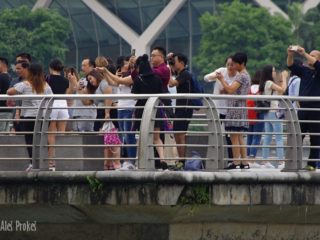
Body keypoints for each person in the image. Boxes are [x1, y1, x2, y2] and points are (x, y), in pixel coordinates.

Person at [7, 63, 53, 171]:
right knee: (42, 141)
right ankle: (43, 164)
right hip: (43, 117)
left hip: (28, 117)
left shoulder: (25, 84)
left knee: (30, 141)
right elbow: (51, 98)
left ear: (30, 72)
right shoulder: (46, 85)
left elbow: (9, 92)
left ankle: (33, 164)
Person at [287, 45, 320, 171]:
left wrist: (304, 53)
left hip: (316, 109)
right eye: (309, 55)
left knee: (315, 138)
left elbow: (315, 63)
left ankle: (311, 164)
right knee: (297, 135)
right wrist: (290, 54)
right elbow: (290, 65)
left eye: (313, 56)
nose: (309, 58)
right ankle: (293, 162)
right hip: (303, 108)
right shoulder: (305, 71)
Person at [131, 54, 167, 169]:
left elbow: (134, 96)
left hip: (142, 110)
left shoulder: (138, 79)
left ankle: (142, 163)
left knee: (142, 137)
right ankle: (162, 160)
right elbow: (162, 93)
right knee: (157, 138)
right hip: (155, 110)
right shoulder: (156, 78)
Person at [216, 52, 250, 169]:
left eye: (235, 64)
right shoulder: (246, 75)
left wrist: (221, 79)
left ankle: (235, 162)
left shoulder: (241, 76)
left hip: (235, 109)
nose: (233, 66)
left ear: (242, 64)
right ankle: (244, 162)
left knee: (233, 137)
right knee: (239, 136)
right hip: (240, 108)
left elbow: (230, 90)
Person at [83, 69, 120, 170]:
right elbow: (86, 102)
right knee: (106, 138)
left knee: (109, 137)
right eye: (88, 80)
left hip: (106, 112)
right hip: (101, 113)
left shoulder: (103, 83)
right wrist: (80, 89)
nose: (90, 81)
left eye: (90, 78)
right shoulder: (95, 89)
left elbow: (109, 96)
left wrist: (107, 112)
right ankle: (107, 163)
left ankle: (112, 162)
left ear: (96, 76)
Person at [204, 56, 239, 159]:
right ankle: (214, 158)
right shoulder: (221, 71)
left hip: (230, 110)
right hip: (218, 108)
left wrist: (226, 88)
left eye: (232, 64)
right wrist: (214, 76)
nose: (229, 67)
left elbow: (231, 90)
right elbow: (206, 78)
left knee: (230, 136)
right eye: (227, 64)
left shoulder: (238, 76)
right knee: (215, 133)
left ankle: (231, 160)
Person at [47, 59, 77, 170]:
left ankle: (50, 160)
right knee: (61, 133)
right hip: (63, 104)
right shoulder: (65, 80)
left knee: (50, 134)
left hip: (51, 104)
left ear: (50, 68)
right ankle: (60, 159)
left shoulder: (47, 78)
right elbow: (68, 93)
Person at [168, 53, 194, 169]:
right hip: (180, 108)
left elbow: (172, 83)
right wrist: (170, 61)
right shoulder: (181, 73)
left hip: (185, 108)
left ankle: (182, 161)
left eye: (175, 61)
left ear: (182, 63)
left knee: (180, 134)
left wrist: (167, 68)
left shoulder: (186, 74)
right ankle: (181, 160)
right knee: (177, 134)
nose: (173, 63)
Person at [259, 65, 287, 168]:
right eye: (274, 71)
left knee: (268, 136)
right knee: (279, 137)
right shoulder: (270, 83)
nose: (275, 73)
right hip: (274, 112)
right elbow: (283, 89)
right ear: (269, 73)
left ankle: (264, 161)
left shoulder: (264, 83)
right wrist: (284, 77)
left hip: (267, 113)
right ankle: (281, 162)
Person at [72, 58, 96, 132]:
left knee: (87, 139)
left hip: (86, 114)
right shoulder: (82, 80)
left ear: (92, 67)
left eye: (84, 65)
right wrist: (72, 81)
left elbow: (86, 100)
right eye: (82, 66)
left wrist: (76, 84)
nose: (82, 68)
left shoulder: (94, 80)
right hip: (77, 113)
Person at [246, 70, 264, 164]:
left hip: (249, 114)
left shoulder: (249, 88)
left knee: (250, 135)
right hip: (258, 114)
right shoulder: (261, 90)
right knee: (257, 136)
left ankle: (247, 156)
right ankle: (252, 158)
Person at [0, 57, 12, 133]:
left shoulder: (1, 77)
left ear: (3, 64)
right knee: (5, 133)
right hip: (8, 111)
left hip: (1, 111)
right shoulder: (10, 77)